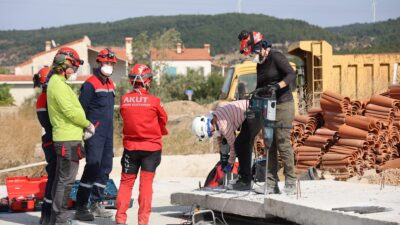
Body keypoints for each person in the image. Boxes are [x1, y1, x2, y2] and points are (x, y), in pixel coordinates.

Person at [236, 30, 296, 194]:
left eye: (253, 52)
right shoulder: (259, 64)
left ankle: (291, 181)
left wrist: (277, 86)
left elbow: (291, 74)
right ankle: (271, 184)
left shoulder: (276, 57)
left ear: (261, 46)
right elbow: (260, 86)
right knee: (270, 144)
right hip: (268, 106)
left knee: (282, 142)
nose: (253, 56)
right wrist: (254, 96)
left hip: (283, 104)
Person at [115, 64, 168, 225]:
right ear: (147, 81)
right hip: (151, 149)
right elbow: (163, 120)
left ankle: (120, 219)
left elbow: (125, 117)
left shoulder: (124, 99)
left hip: (130, 148)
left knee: (125, 184)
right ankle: (143, 222)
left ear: (132, 81)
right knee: (145, 186)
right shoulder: (154, 101)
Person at [47, 47, 95, 225]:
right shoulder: (58, 85)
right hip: (68, 140)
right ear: (65, 64)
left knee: (62, 181)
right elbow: (70, 111)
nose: (74, 70)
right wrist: (87, 124)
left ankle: (57, 219)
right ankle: (60, 220)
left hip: (67, 138)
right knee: (66, 182)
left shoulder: (58, 83)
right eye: (73, 66)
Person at [75, 48, 117, 221]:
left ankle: (96, 203)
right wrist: (82, 132)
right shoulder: (90, 84)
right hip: (94, 133)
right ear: (99, 63)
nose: (108, 66)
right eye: (105, 63)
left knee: (105, 168)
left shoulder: (110, 83)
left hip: (108, 133)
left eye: (111, 63)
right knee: (93, 167)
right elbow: (81, 109)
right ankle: (81, 206)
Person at [191, 100, 248, 175]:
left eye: (210, 133)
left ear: (207, 126)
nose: (212, 133)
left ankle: (245, 177)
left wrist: (230, 163)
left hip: (250, 111)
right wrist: (222, 153)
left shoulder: (223, 126)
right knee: (228, 146)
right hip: (245, 110)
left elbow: (233, 145)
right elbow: (219, 136)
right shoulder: (215, 118)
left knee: (241, 145)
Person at [33, 66, 57, 225]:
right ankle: (48, 217)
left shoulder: (45, 97)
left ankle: (47, 216)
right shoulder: (46, 98)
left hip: (49, 140)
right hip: (51, 140)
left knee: (54, 177)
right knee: (55, 178)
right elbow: (49, 123)